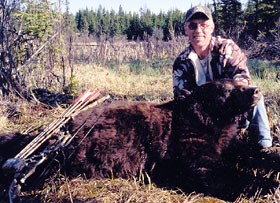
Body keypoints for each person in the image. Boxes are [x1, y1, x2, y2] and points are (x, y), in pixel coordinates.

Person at [173, 5, 272, 149]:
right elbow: (181, 99)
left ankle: (264, 145)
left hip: (232, 109)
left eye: (204, 25)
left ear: (212, 27)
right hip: (206, 119)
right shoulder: (181, 62)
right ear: (186, 29)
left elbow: (243, 80)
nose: (198, 30)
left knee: (256, 95)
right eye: (193, 26)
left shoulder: (227, 48)